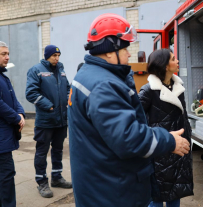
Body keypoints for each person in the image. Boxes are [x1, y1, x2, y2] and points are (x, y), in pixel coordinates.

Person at [67, 13, 190, 207]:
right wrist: (168, 140)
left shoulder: (89, 75)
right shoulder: (104, 85)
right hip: (112, 192)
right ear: (109, 51)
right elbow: (127, 138)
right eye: (125, 48)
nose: (129, 54)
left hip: (101, 183)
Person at [139, 49, 194, 207]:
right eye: (173, 59)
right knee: (156, 199)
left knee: (174, 195)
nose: (177, 61)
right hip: (159, 153)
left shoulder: (178, 87)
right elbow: (135, 121)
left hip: (178, 150)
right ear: (164, 66)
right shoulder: (148, 90)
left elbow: (183, 118)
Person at [25, 45, 72, 198]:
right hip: (45, 120)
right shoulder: (36, 70)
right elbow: (31, 93)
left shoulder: (61, 69)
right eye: (54, 56)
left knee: (58, 150)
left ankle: (57, 177)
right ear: (47, 56)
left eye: (58, 55)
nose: (57, 58)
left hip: (61, 120)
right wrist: (49, 106)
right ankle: (41, 181)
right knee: (42, 152)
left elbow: (67, 88)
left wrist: (67, 102)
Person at [0, 41, 25, 207]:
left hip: (5, 137)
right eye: (3, 54)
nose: (7, 57)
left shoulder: (3, 77)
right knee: (6, 177)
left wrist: (21, 112)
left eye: (8, 53)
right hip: (1, 141)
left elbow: (13, 99)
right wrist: (16, 118)